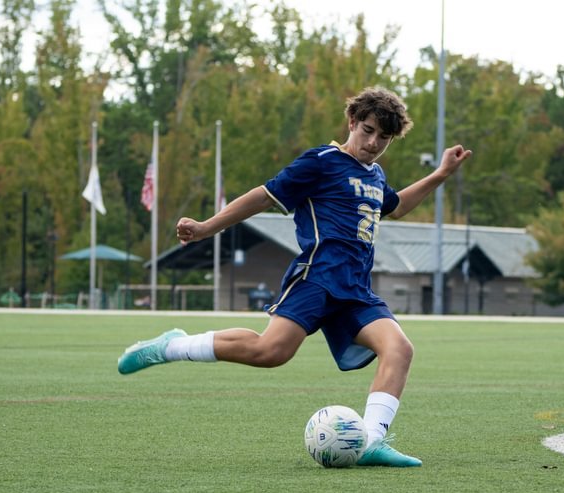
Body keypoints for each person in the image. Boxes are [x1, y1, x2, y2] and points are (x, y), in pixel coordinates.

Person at [118, 87, 471, 467]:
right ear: (351, 122)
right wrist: (207, 227)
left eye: (383, 138)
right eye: (367, 130)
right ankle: (173, 345)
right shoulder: (322, 161)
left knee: (400, 348)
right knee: (270, 352)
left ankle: (371, 441)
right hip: (317, 278)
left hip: (355, 290)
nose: (373, 143)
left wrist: (440, 174)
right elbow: (264, 195)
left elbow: (396, 207)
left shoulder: (374, 175)